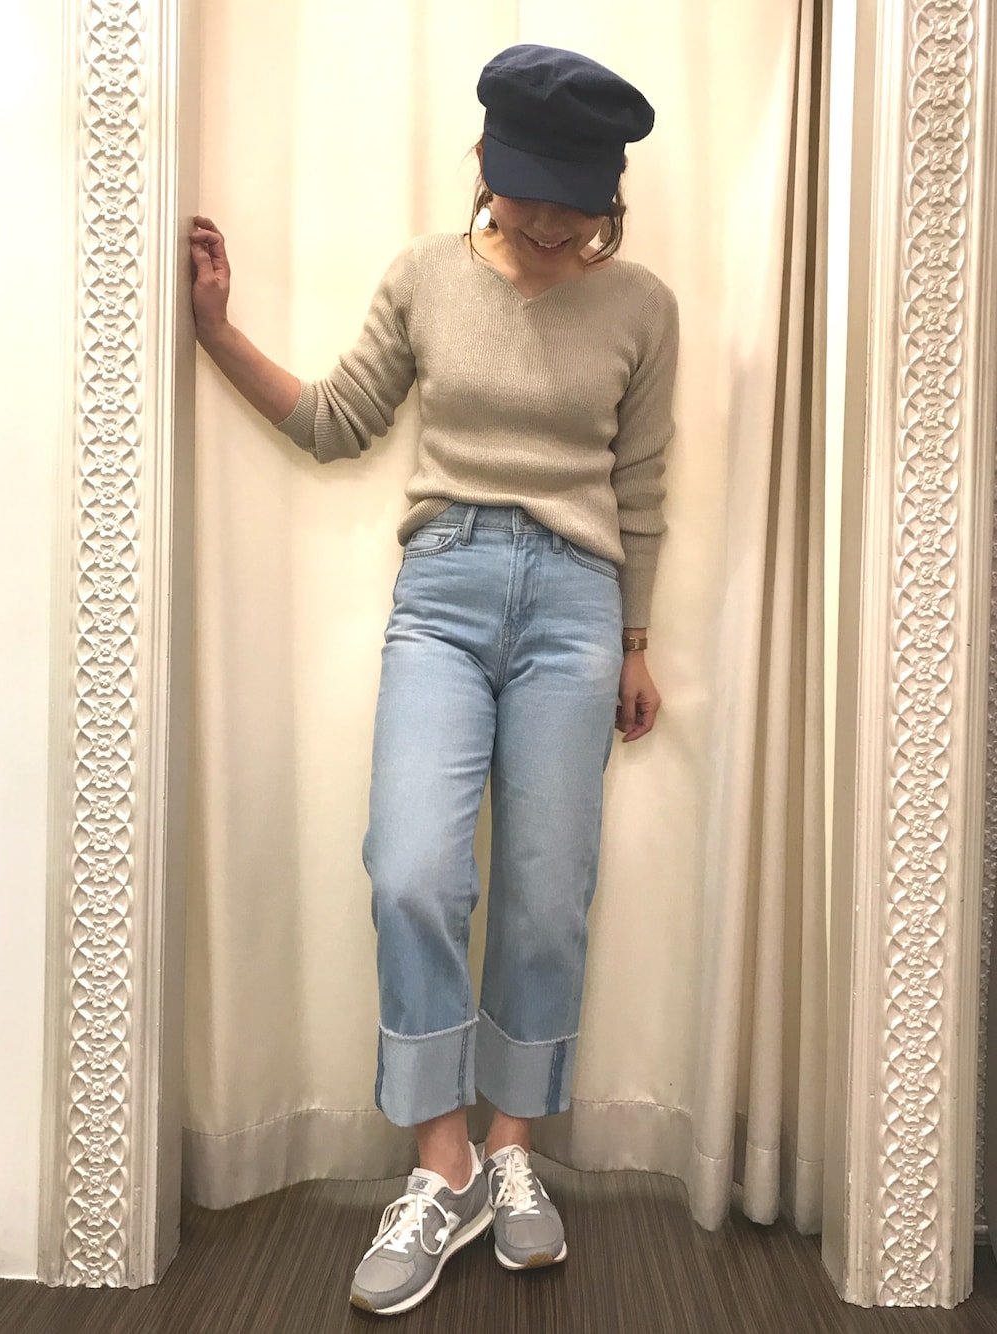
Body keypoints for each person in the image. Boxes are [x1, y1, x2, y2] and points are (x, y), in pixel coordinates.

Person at [191, 42, 678, 1318]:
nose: (551, 224)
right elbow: (337, 419)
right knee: (411, 869)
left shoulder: (642, 308)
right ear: (485, 163)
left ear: (611, 192)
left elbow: (640, 486)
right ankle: (441, 1163)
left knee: (544, 894)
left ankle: (513, 1149)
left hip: (575, 604)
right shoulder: (422, 275)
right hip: (444, 593)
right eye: (527, 192)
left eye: (577, 202)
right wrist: (217, 331)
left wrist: (635, 639)